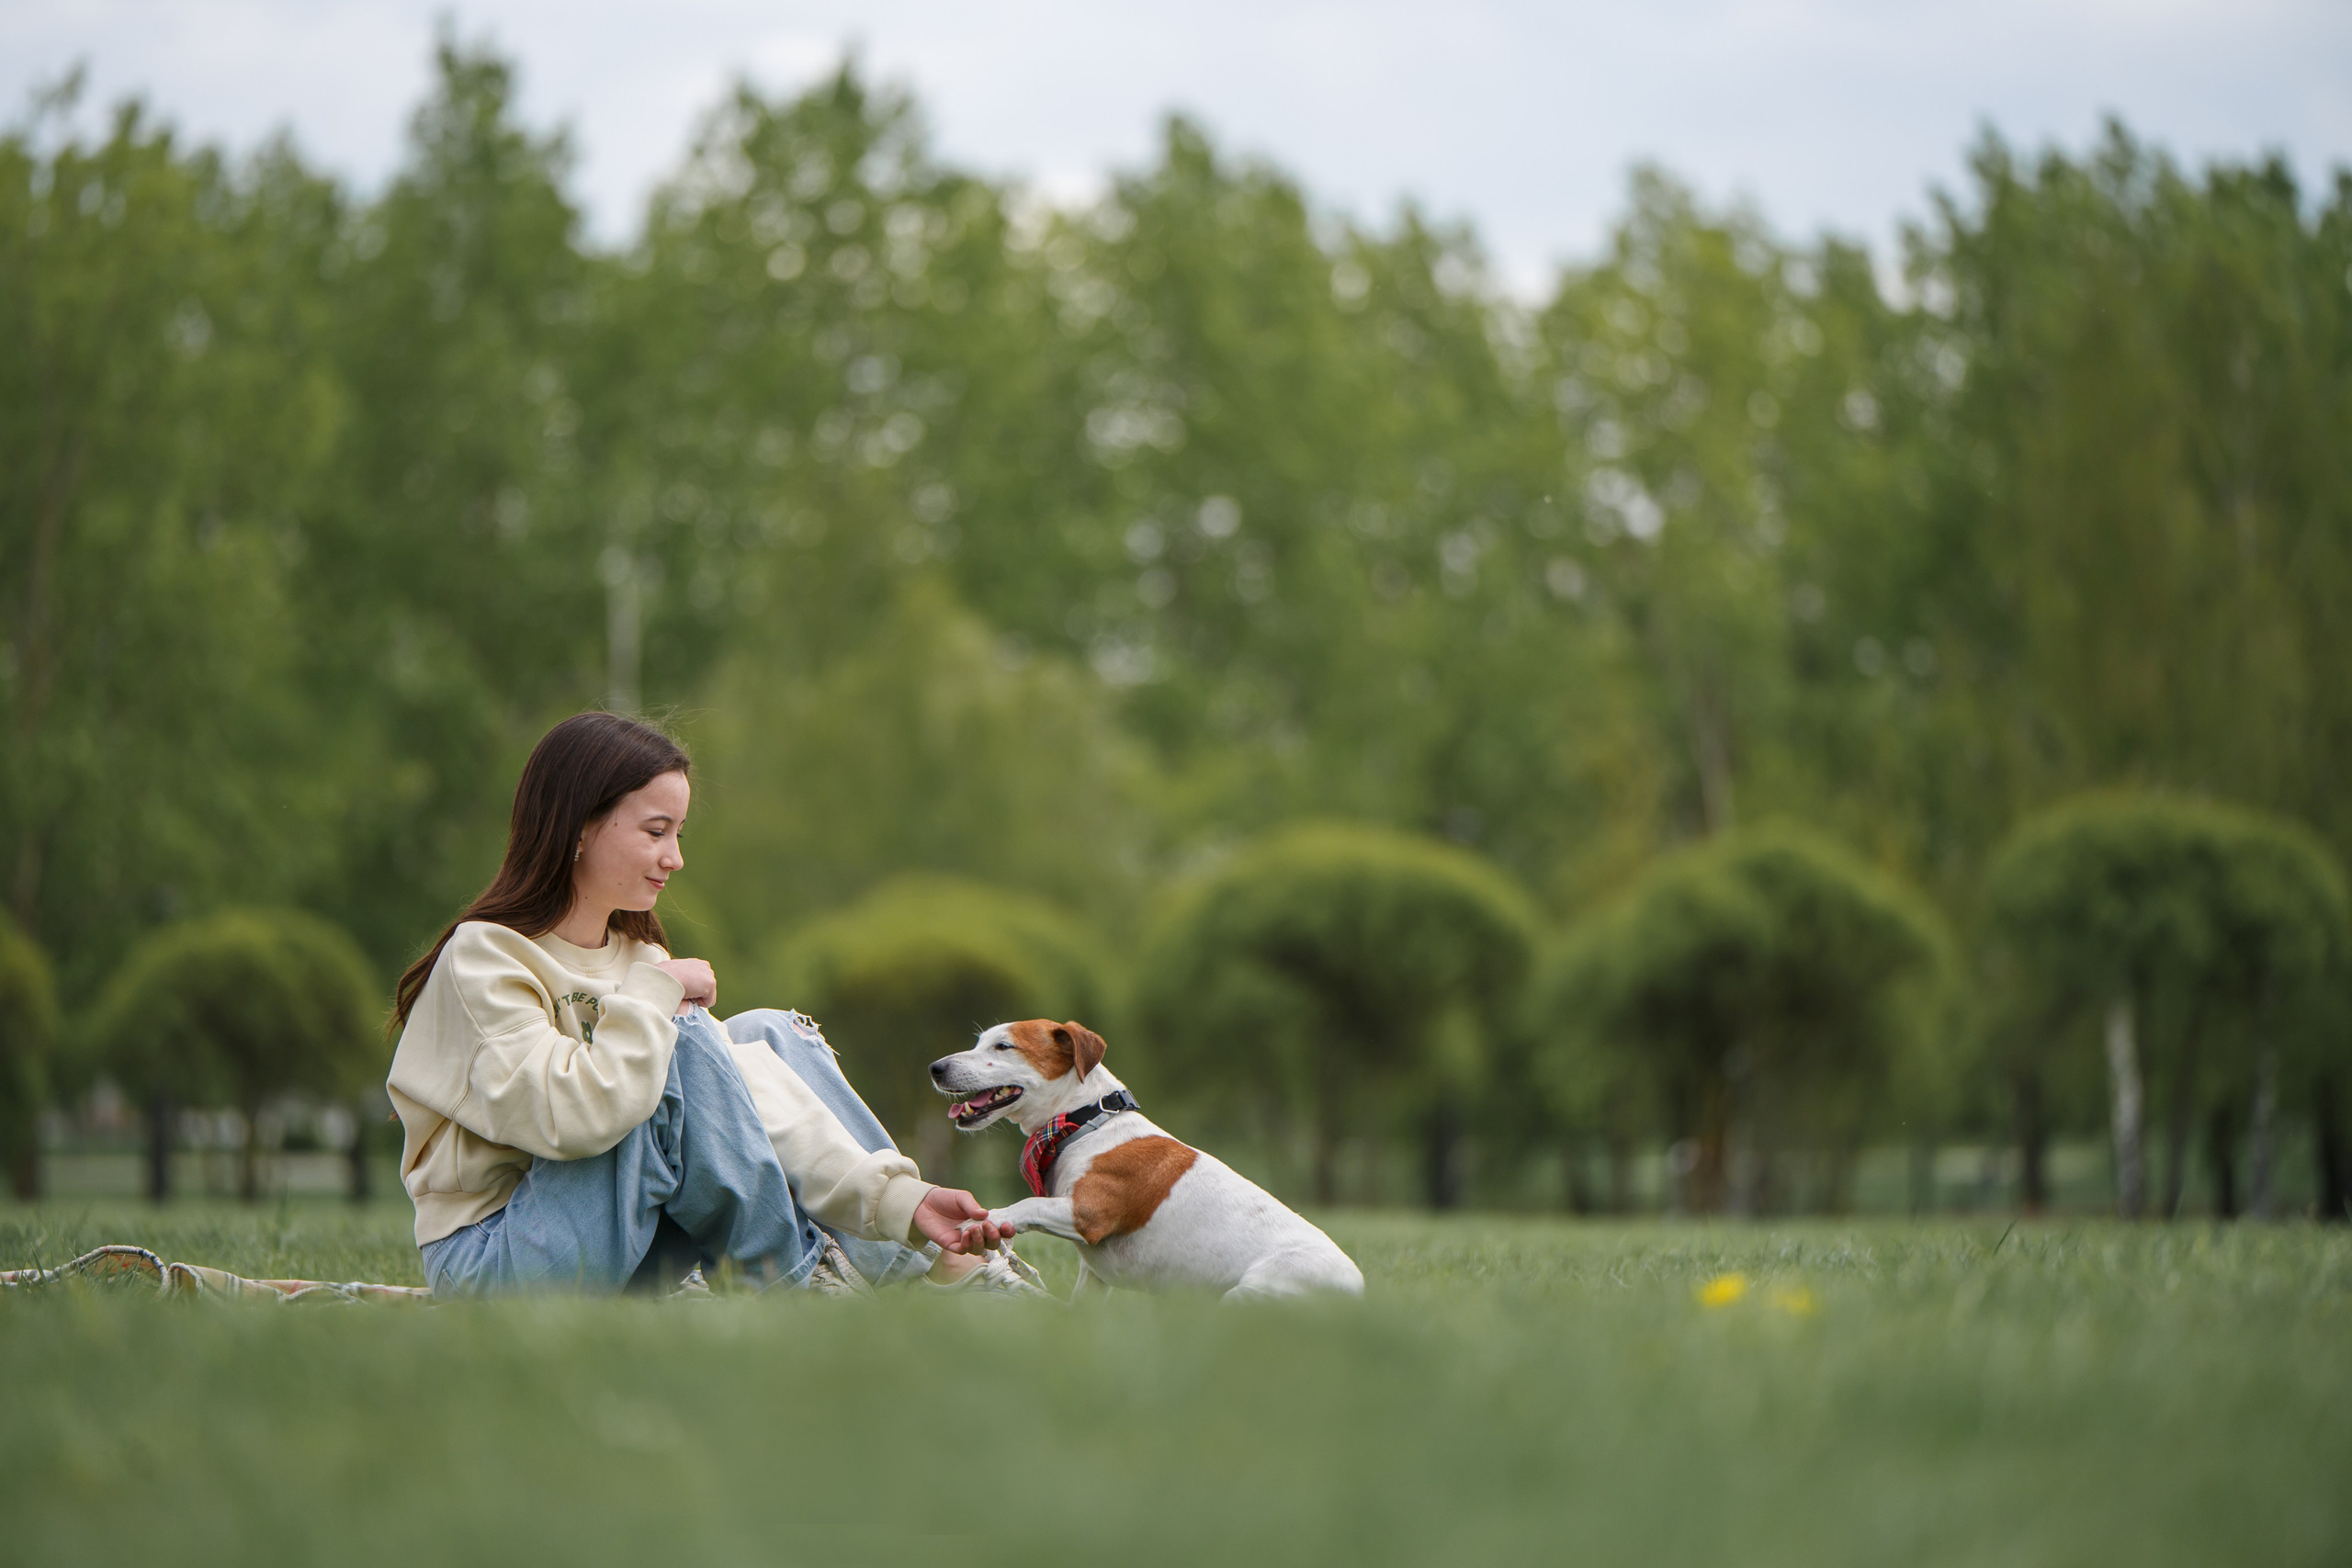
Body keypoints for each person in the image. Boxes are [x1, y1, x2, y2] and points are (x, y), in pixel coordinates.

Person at [385, 711, 1032, 1296]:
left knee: (767, 1033)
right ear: (579, 826)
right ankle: (795, 1283)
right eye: (656, 831)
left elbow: (748, 1096)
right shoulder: (486, 957)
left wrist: (902, 1200)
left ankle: (920, 1264)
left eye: (679, 832)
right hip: (496, 1256)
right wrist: (656, 995)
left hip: (632, 1244)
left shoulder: (640, 961)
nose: (675, 858)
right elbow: (570, 1117)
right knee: (686, 1041)